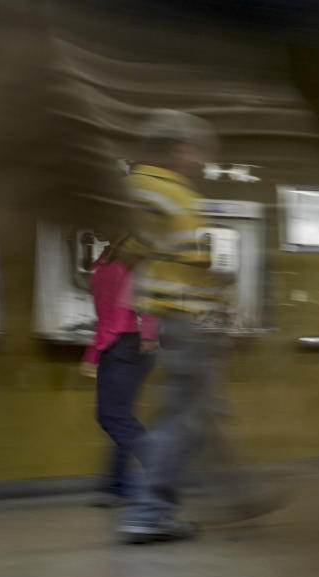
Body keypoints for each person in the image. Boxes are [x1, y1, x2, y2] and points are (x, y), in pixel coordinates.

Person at [117, 109, 235, 543]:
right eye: (197, 151)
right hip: (188, 319)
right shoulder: (176, 193)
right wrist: (223, 278)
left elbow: (129, 251)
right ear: (177, 148)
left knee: (193, 415)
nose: (200, 160)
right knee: (181, 420)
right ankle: (148, 511)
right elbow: (197, 256)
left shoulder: (134, 188)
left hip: (162, 317)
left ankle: (161, 502)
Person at [80, 236, 158, 507]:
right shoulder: (105, 260)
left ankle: (159, 470)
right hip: (115, 344)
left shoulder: (130, 257)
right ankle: (119, 485)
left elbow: (148, 298)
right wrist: (94, 353)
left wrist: (148, 335)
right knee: (118, 416)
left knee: (112, 416)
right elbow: (104, 315)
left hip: (129, 344)